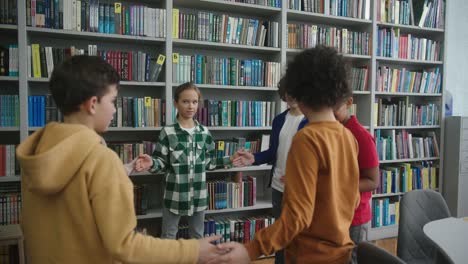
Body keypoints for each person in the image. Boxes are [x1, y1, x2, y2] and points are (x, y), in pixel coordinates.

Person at [16, 56, 221, 263]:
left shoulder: (40, 150)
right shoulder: (102, 160)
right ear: (93, 104)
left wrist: (123, 169)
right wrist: (192, 250)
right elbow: (124, 246)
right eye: (113, 101)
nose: (115, 109)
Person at [212, 46, 361, 264]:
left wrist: (251, 250)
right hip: (341, 253)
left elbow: (296, 217)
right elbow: (353, 199)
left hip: (309, 256)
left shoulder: (307, 138)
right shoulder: (348, 136)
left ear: (298, 89)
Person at [134, 82, 237, 240]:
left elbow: (208, 162)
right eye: (185, 101)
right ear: (176, 103)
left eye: (194, 102)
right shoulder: (167, 132)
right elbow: (162, 162)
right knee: (168, 235)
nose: (191, 106)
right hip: (174, 196)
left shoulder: (204, 132)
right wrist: (151, 163)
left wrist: (230, 159)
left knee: (197, 235)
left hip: (199, 196)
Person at [233, 76, 307, 264]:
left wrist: (297, 175)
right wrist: (254, 158)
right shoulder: (279, 120)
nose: (290, 96)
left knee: (299, 239)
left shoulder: (311, 121)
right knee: (280, 238)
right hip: (278, 188)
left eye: (294, 91)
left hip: (299, 189)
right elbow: (273, 152)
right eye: (287, 92)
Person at [334, 96, 380, 264]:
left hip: (356, 217)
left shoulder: (362, 136)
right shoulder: (332, 132)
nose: (331, 114)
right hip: (336, 213)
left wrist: (336, 185)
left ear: (348, 102)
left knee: (352, 260)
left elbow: (373, 181)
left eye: (335, 109)